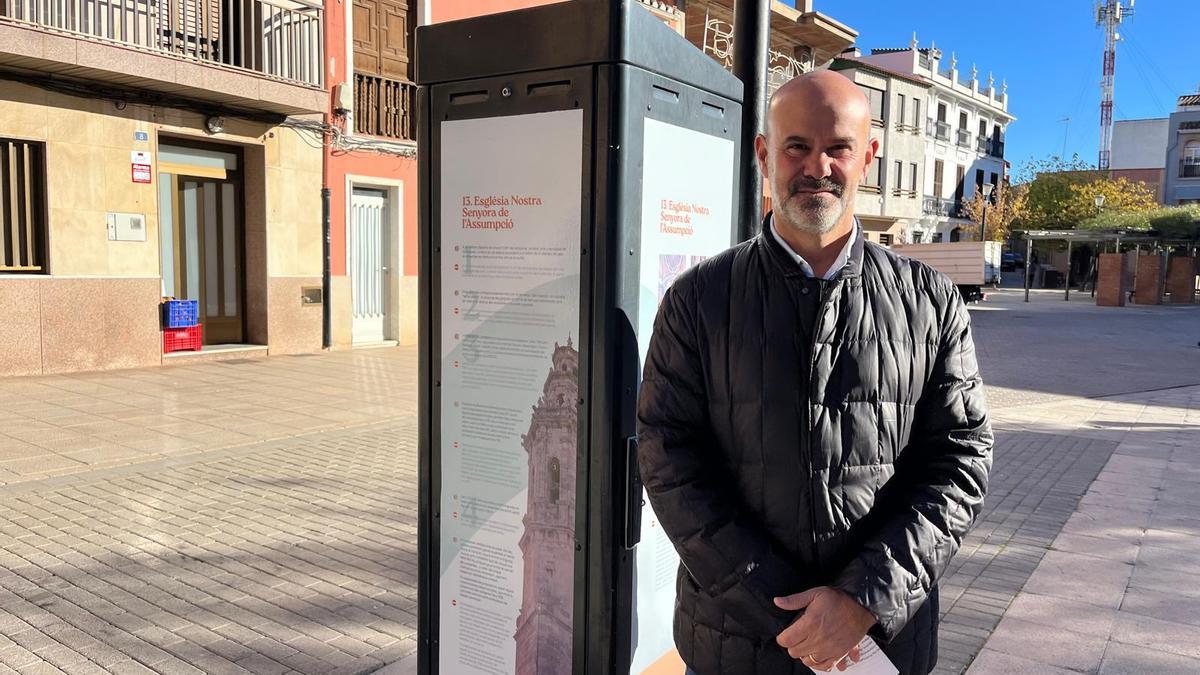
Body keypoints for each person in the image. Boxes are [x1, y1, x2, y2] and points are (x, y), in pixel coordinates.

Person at [636, 70, 993, 674]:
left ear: (868, 157)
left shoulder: (930, 301)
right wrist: (783, 611)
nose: (817, 167)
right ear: (763, 154)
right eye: (796, 146)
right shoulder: (698, 299)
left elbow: (960, 459)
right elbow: (667, 459)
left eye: (838, 149)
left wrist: (863, 599)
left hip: (879, 646)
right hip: (736, 644)